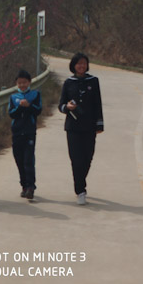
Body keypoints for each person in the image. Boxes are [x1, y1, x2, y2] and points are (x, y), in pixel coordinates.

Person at [58, 52, 104, 205]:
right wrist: (67, 107)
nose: (81, 66)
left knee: (87, 158)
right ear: (73, 66)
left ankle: (80, 181)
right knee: (76, 160)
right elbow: (61, 105)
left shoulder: (94, 81)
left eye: (84, 63)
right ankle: (80, 190)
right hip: (73, 127)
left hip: (89, 126)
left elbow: (98, 103)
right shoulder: (68, 82)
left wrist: (99, 124)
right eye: (78, 63)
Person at [8, 69, 42, 200]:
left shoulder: (35, 95)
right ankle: (24, 186)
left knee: (28, 160)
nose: (22, 85)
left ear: (29, 82)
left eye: (25, 82)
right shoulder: (13, 97)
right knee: (19, 160)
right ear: (16, 83)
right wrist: (20, 107)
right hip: (16, 132)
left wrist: (28, 106)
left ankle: (31, 187)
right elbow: (11, 114)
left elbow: (38, 110)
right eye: (20, 83)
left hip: (29, 132)